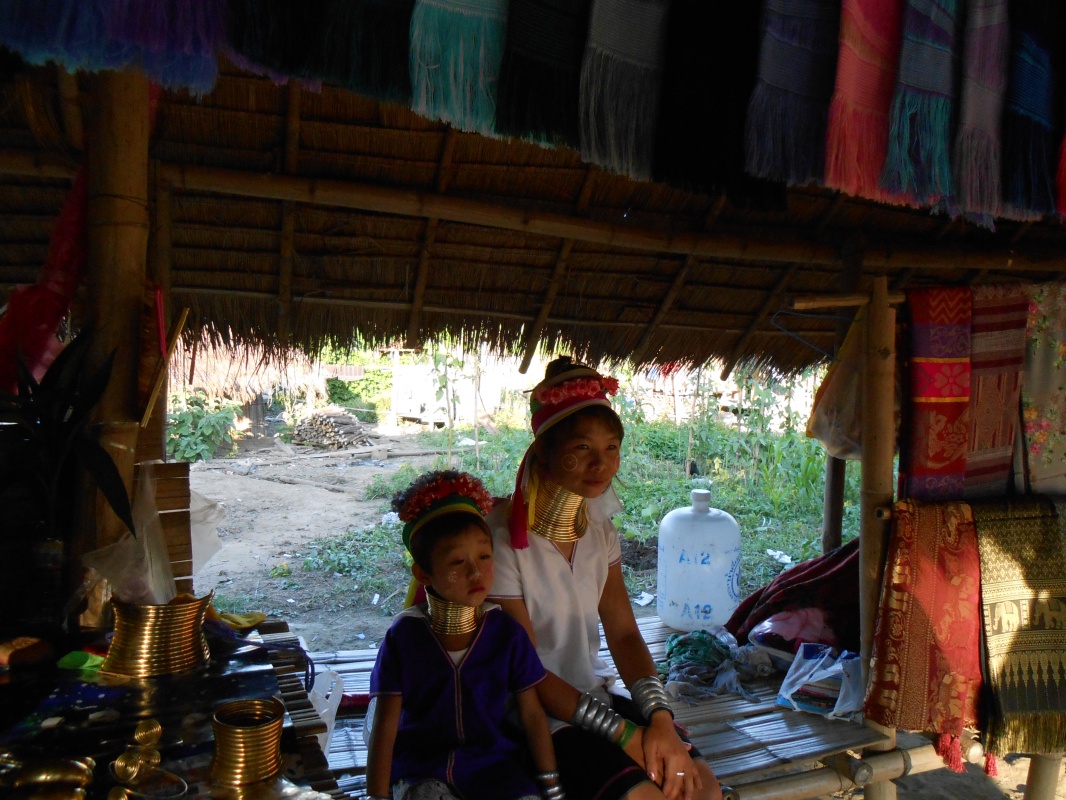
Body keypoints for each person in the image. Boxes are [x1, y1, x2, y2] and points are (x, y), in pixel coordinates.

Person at [487, 357, 723, 800]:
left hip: (592, 698)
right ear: (543, 450)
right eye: (582, 448)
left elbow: (624, 633)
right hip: (528, 714)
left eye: (611, 447)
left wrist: (658, 719)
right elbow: (527, 672)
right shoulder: (500, 542)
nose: (601, 463)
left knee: (702, 789)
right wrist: (625, 735)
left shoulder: (599, 532)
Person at [367, 470, 565, 800]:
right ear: (423, 573)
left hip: (493, 766)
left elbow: (532, 714)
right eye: (458, 561)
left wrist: (552, 787)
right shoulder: (404, 639)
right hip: (421, 770)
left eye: (484, 557)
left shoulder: (506, 634)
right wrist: (377, 797)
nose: (476, 572)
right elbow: (385, 728)